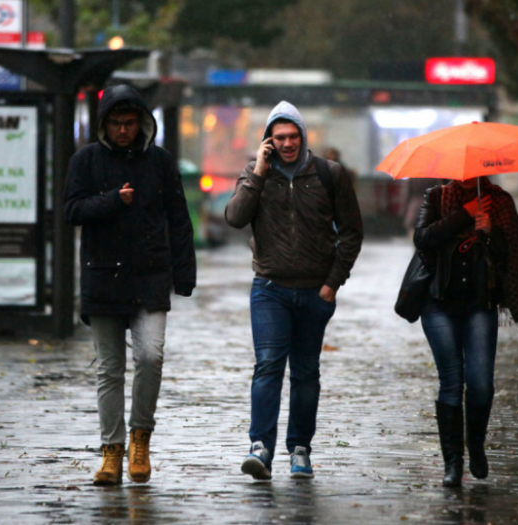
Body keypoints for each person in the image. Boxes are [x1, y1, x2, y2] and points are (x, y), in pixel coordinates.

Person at [64, 84, 196, 486]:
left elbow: (179, 218)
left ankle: (140, 437)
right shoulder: (86, 160)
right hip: (103, 277)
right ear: (104, 124)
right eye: (116, 123)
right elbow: (71, 209)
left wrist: (184, 275)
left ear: (142, 123)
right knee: (110, 369)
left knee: (150, 356)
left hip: (150, 276)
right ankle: (111, 452)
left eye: (130, 122)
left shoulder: (160, 161)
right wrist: (110, 201)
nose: (123, 130)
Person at [226, 101, 363, 480]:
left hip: (315, 292)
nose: (286, 143)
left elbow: (352, 232)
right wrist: (258, 172)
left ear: (302, 136)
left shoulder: (328, 174)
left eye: (292, 136)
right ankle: (260, 447)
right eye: (279, 137)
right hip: (269, 288)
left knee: (305, 373)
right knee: (268, 365)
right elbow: (235, 217)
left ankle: (300, 449)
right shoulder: (256, 174)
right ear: (268, 140)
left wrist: (332, 283)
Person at [413, 177, 518, 487]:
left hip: (480, 304)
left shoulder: (499, 202)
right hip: (438, 303)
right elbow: (422, 238)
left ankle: (476, 445)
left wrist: (490, 232)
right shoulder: (436, 197)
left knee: (481, 384)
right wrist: (465, 213)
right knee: (451, 382)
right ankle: (453, 463)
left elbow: (510, 254)